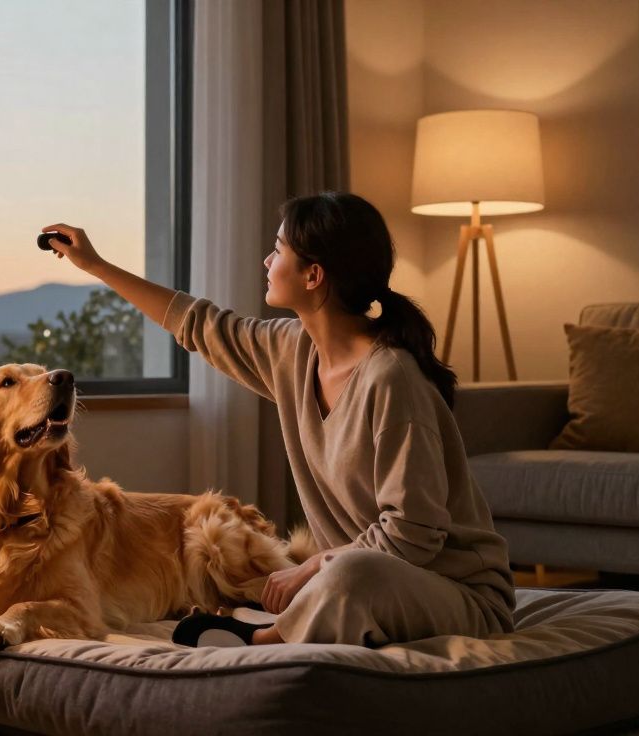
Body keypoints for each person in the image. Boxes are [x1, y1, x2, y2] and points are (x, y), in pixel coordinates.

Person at [40, 191, 515, 648]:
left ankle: (260, 639)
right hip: (351, 578)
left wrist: (313, 568)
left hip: (454, 591)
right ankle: (292, 613)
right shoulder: (292, 350)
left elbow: (413, 536)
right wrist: (95, 265)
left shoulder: (392, 379)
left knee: (351, 575)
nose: (267, 261)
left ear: (313, 275)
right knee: (337, 573)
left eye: (278, 249)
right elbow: (195, 323)